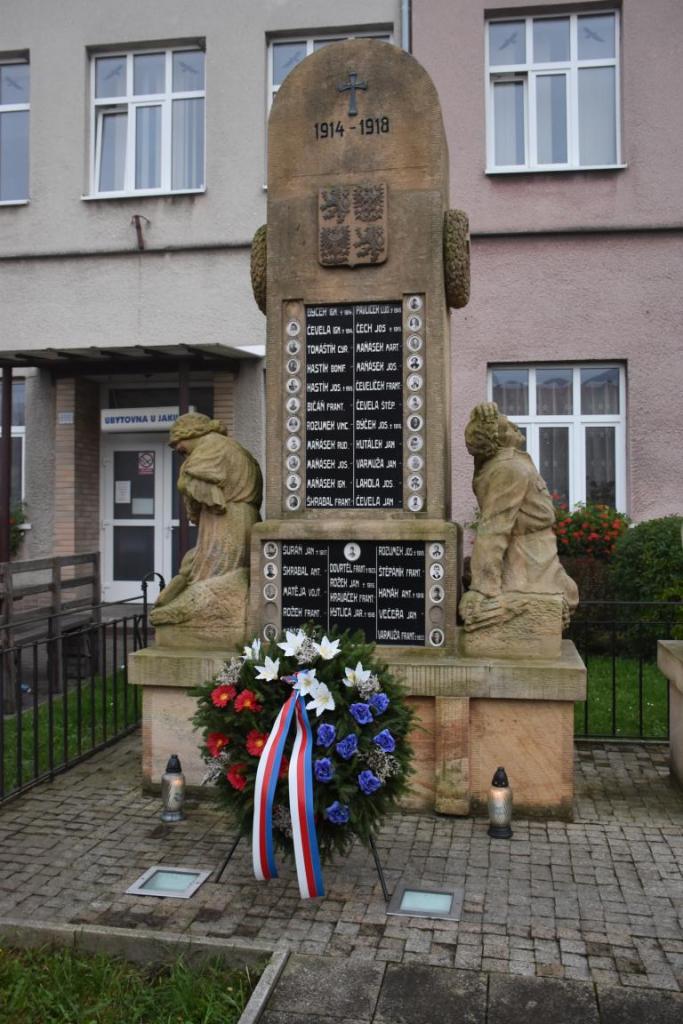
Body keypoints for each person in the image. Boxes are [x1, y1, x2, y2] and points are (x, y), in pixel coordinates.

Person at [460, 402, 578, 633]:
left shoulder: (505, 463)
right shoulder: (509, 468)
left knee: (568, 595)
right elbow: (493, 527)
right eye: (507, 426)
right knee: (560, 602)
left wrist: (481, 417)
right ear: (497, 440)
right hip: (527, 557)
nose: (515, 426)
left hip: (538, 553)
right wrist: (483, 587)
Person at [151, 413, 262, 641]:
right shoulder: (235, 448)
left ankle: (202, 613)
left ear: (191, 433)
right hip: (243, 515)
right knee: (214, 563)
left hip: (224, 517)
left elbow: (193, 483)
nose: (178, 449)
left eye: (178, 443)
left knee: (214, 567)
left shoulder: (211, 446)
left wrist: (186, 488)